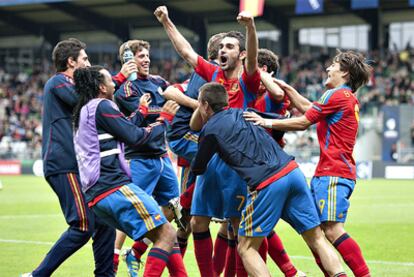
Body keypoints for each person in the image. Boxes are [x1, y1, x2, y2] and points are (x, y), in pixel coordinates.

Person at [191, 82, 347, 277]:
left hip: (267, 182)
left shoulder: (211, 129)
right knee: (316, 238)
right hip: (292, 171)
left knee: (246, 247)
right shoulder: (244, 112)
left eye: (199, 104)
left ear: (205, 105)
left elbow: (198, 167)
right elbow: (278, 123)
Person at [244, 50, 372, 277]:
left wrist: (266, 121)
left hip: (333, 172)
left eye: (333, 65)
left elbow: (304, 121)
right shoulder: (345, 98)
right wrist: (288, 88)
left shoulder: (334, 95)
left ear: (344, 72)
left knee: (331, 230)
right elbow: (308, 109)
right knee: (318, 233)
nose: (328, 69)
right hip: (336, 172)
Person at [155, 6, 261, 276]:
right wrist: (167, 21)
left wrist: (250, 27)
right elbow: (187, 52)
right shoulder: (214, 75)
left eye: (230, 47)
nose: (223, 50)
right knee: (198, 223)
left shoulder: (248, 80)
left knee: (237, 226)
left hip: (236, 165)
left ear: (241, 54)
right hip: (209, 160)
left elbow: (253, 57)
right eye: (221, 46)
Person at [21, 38, 136, 277]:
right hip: (64, 163)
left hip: (81, 166)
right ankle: (37, 275)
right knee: (83, 225)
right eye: (84, 58)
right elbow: (85, 100)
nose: (88, 62)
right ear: (71, 61)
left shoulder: (72, 86)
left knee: (104, 220)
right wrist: (118, 78)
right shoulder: (58, 82)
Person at [72, 65, 187, 277]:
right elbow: (134, 137)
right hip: (112, 188)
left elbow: (123, 128)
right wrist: (163, 120)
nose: (114, 83)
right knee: (167, 233)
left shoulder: (86, 109)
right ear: (100, 86)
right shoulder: (103, 105)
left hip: (98, 194)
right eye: (109, 80)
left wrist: (141, 111)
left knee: (163, 233)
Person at [113, 39, 181, 276]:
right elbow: (138, 119)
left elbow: (175, 98)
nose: (146, 60)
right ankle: (114, 255)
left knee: (174, 206)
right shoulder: (126, 90)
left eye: (147, 56)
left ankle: (137, 250)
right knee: (132, 210)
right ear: (128, 62)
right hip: (139, 157)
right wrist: (163, 113)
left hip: (161, 156)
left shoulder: (159, 82)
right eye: (140, 56)